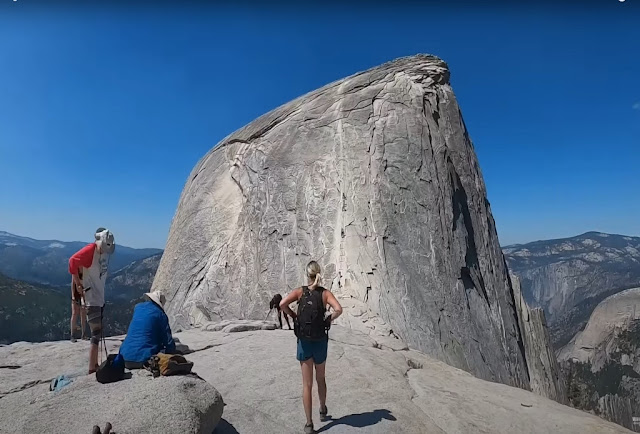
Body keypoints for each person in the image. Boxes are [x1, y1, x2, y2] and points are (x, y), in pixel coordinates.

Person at [280, 261, 343, 434]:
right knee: (320, 379)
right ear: (319, 274)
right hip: (320, 341)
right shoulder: (325, 294)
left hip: (304, 341)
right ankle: (323, 409)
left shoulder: (300, 292)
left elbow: (282, 304)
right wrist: (329, 319)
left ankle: (309, 424)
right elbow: (338, 309)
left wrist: (294, 316)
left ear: (307, 275)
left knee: (307, 384)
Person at [68, 228, 115, 374]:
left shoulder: (102, 254)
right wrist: (78, 283)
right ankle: (91, 367)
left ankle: (94, 363)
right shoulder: (90, 250)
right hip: (91, 297)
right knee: (96, 332)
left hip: (99, 297)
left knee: (97, 332)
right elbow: (72, 262)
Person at [118, 290, 176, 369]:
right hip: (142, 359)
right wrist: (173, 354)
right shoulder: (160, 314)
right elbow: (168, 340)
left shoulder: (138, 308)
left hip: (123, 358)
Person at [70, 270, 87, 342]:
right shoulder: (76, 270)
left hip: (84, 292)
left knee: (83, 313)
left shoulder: (85, 269)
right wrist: (73, 296)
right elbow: (73, 283)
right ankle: (72, 335)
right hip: (77, 294)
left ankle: (83, 334)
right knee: (75, 313)